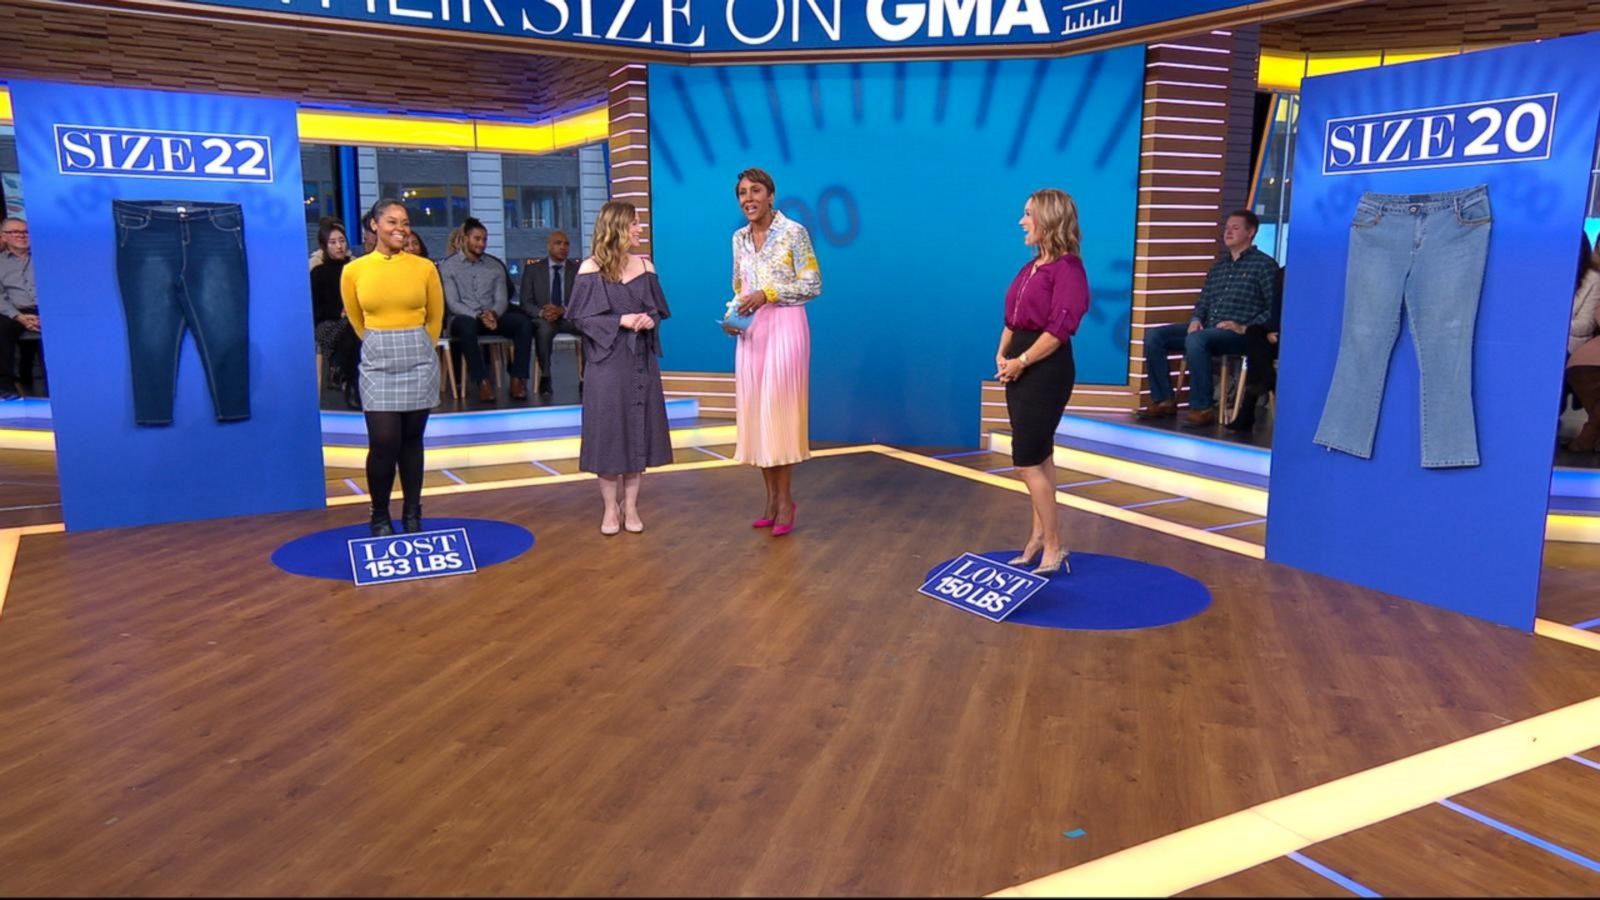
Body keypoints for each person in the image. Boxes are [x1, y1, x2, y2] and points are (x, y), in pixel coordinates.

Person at [995, 189, 1090, 577]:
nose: (1022, 221)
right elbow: (1012, 320)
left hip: (1045, 369)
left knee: (1026, 462)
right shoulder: (1030, 267)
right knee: (1042, 458)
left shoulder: (1068, 270)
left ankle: (1054, 545)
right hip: (1019, 364)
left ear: (1049, 220)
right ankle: (1037, 538)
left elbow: (1059, 328)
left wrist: (1022, 360)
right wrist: (1003, 355)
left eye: (1029, 214)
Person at [566, 200, 672, 535]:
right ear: (617, 228)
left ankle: (632, 507)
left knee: (638, 429)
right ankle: (610, 508)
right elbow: (580, 319)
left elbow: (657, 311)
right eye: (634, 223)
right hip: (607, 364)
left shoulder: (646, 267)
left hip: (640, 361)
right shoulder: (589, 269)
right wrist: (620, 320)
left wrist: (646, 319)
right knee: (611, 434)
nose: (640, 229)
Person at [726, 168, 821, 537]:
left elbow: (813, 284)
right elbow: (738, 284)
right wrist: (733, 315)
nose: (748, 198)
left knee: (777, 417)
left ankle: (785, 502)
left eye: (755, 191)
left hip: (785, 327)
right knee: (755, 418)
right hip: (751, 333)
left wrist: (768, 294)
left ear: (770, 196)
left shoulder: (794, 233)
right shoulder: (738, 239)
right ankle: (769, 500)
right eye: (742, 193)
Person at [341, 199, 445, 536]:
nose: (400, 228)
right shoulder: (353, 270)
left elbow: (435, 316)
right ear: (374, 225)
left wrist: (422, 346)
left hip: (418, 355)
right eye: (391, 221)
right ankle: (379, 513)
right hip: (377, 360)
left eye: (405, 222)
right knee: (384, 441)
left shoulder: (424, 267)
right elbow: (357, 319)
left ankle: (413, 511)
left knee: (412, 441)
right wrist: (378, 343)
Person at [1138, 209, 1279, 427]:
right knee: (1155, 336)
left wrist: (1245, 327)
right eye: (1227, 227)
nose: (1228, 232)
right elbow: (1203, 301)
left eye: (1235, 228)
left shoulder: (1264, 266)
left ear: (1251, 232)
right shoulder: (1218, 267)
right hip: (1210, 329)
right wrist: (1196, 318)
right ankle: (1164, 399)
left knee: (1197, 340)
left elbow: (1274, 307)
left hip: (1239, 335)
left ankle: (1202, 407)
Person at [439, 217, 534, 402]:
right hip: (464, 317)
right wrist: (478, 315)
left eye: (484, 239)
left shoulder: (495, 265)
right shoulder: (449, 266)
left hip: (491, 316)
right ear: (465, 238)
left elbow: (501, 299)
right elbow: (453, 303)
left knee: (523, 323)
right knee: (466, 325)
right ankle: (482, 381)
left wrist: (493, 313)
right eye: (477, 238)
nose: (481, 243)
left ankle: (518, 378)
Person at [1224, 264, 1286, 433]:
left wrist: (1281, 333)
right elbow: (1276, 314)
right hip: (1276, 332)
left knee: (1258, 347)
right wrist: (1269, 332)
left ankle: (1248, 410)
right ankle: (1269, 381)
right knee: (1254, 332)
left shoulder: (1311, 275)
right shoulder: (1282, 273)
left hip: (1298, 335)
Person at [521, 230, 584, 396]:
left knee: (589, 327)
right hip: (545, 318)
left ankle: (586, 379)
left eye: (566, 244)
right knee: (543, 330)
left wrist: (562, 310)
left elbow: (584, 301)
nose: (563, 247)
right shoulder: (532, 270)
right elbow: (525, 302)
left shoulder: (578, 270)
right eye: (558, 243)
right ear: (549, 246)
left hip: (569, 317)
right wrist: (542, 312)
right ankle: (545, 377)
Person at [310, 218, 361, 408]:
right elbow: (315, 309)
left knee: (354, 327)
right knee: (350, 327)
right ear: (324, 246)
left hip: (355, 322)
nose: (339, 246)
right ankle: (351, 384)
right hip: (327, 326)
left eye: (342, 241)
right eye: (333, 242)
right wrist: (338, 313)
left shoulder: (356, 268)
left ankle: (340, 372)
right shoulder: (318, 273)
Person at [0, 217, 41, 401]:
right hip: (14, 310)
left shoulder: (45, 258)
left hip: (44, 309)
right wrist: (18, 316)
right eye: (14, 232)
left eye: (25, 232)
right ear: (3, 237)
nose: (21, 236)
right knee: (1, 328)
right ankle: (6, 389)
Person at [1566, 242, 1600, 452]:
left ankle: (1585, 442)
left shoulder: (1593, 278)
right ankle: (1584, 442)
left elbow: (1586, 324)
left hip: (1580, 350)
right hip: (1585, 360)